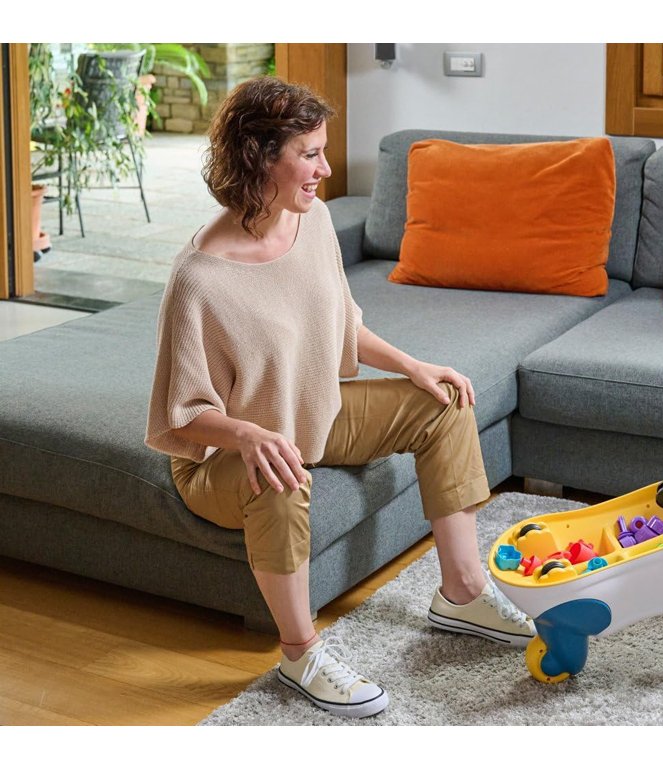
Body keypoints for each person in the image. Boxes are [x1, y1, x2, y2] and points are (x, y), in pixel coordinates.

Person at [145, 77, 534, 719]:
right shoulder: (200, 277)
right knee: (278, 472)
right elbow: (181, 415)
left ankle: (462, 594)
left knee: (444, 401)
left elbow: (341, 325)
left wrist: (414, 366)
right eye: (310, 154)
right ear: (259, 157)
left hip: (309, 415)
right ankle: (300, 654)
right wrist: (249, 435)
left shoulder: (313, 219)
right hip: (223, 460)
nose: (325, 169)